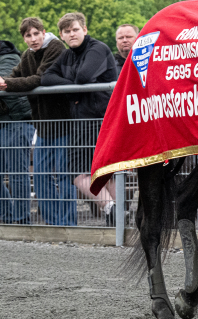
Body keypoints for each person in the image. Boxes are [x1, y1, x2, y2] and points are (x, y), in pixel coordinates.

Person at [42, 12, 118, 225]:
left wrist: (69, 88)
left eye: (75, 29)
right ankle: (112, 208)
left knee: (107, 172)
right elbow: (46, 77)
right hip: (80, 121)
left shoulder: (98, 49)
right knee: (77, 172)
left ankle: (118, 214)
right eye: (67, 31)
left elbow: (84, 77)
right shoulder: (66, 56)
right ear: (61, 35)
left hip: (101, 119)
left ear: (84, 30)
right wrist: (74, 89)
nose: (72, 34)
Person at [0, 18, 76, 226]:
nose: (33, 39)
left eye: (36, 34)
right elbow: (15, 75)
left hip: (63, 123)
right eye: (28, 35)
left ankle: (68, 224)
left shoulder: (55, 47)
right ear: (23, 38)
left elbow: (40, 78)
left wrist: (5, 84)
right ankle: (52, 224)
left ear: (44, 32)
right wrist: (4, 81)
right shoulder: (27, 55)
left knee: (65, 176)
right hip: (42, 126)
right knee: (41, 178)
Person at [0, 40, 33, 224]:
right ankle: (7, 216)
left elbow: (3, 81)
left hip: (17, 122)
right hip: (3, 123)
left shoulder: (10, 57)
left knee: (17, 174)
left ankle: (22, 221)